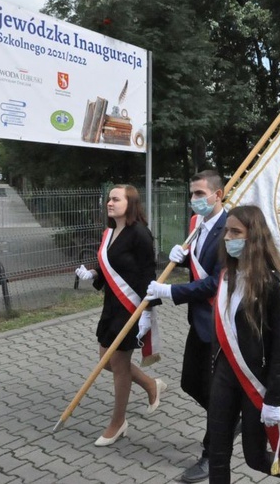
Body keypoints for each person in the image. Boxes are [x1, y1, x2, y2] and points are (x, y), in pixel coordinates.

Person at [208, 205, 280, 484]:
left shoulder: (273, 284)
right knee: (217, 451)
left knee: (255, 458)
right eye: (226, 232)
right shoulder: (226, 276)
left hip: (256, 380)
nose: (228, 238)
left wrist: (274, 401)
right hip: (224, 374)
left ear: (253, 236)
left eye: (236, 232)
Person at [145, 170, 227, 483]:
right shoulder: (196, 224)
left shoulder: (230, 228)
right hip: (199, 320)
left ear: (218, 194)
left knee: (213, 390)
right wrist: (180, 259)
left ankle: (212, 453)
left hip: (219, 322)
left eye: (200, 194)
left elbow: (215, 282)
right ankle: (230, 417)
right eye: (191, 194)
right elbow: (197, 262)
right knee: (191, 383)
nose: (194, 200)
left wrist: (170, 292)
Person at [75, 184, 166, 446]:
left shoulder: (140, 234)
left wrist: (148, 311)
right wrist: (93, 274)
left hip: (132, 308)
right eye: (108, 199)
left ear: (131, 203)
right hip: (111, 305)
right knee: (106, 359)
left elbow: (148, 274)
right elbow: (111, 267)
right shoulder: (110, 232)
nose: (109, 203)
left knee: (119, 365)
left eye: (116, 199)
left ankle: (118, 423)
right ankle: (151, 385)